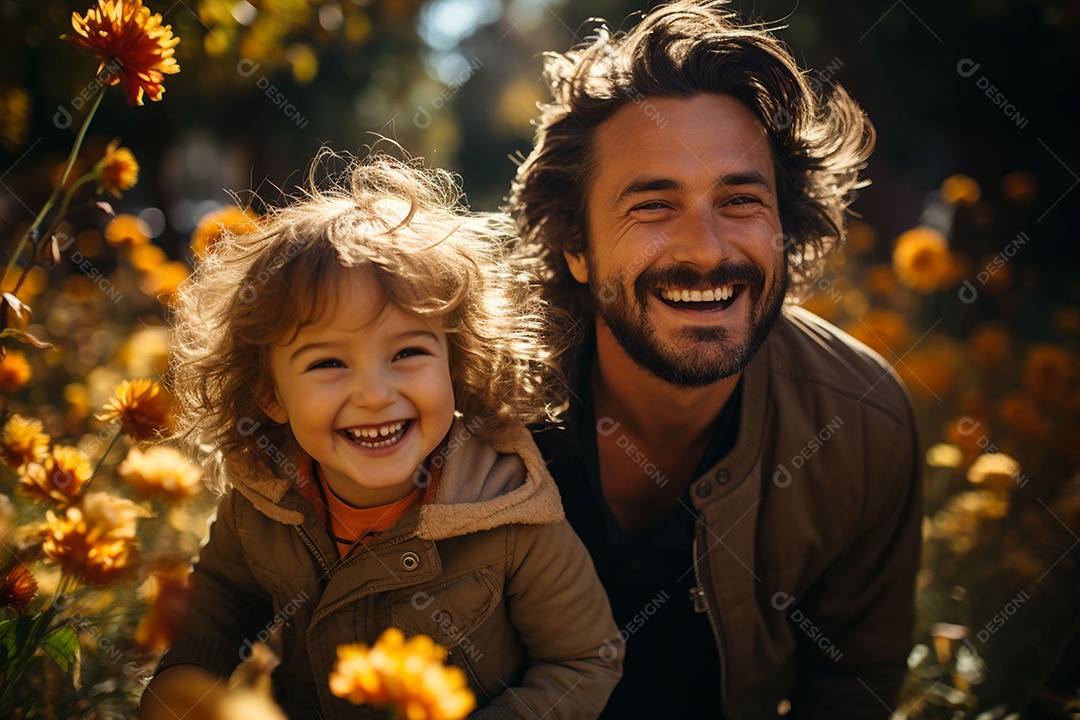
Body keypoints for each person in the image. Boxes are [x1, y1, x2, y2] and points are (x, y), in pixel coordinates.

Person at [508, 2, 922, 718]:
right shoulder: (469, 402)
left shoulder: (859, 422)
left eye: (739, 200)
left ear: (785, 229)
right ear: (576, 246)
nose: (707, 249)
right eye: (653, 206)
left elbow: (854, 684)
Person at [140, 152, 623, 720]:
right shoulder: (263, 498)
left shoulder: (510, 513)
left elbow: (586, 659)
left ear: (455, 365)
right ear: (269, 392)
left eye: (408, 353)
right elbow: (218, 605)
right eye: (327, 364)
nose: (374, 393)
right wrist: (184, 688)